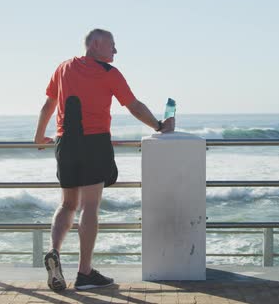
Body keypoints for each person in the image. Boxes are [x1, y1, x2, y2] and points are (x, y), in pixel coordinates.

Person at [33, 28, 175, 292]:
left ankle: (54, 251)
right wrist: (158, 125)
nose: (115, 51)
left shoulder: (63, 68)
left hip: (65, 143)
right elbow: (133, 106)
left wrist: (40, 137)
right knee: (89, 207)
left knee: (67, 204)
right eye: (112, 45)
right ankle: (85, 273)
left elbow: (48, 106)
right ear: (96, 44)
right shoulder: (109, 73)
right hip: (94, 142)